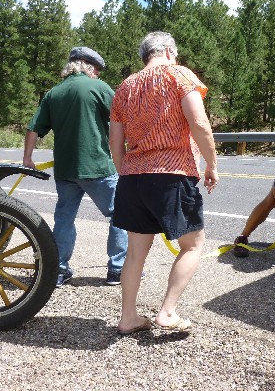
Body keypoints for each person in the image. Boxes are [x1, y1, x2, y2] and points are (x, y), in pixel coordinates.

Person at [109, 31, 219, 335]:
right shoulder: (179, 75)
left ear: (147, 55)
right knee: (193, 244)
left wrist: (126, 171)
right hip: (172, 173)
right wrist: (211, 164)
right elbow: (198, 122)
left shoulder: (125, 86)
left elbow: (114, 140)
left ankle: (128, 317)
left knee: (135, 252)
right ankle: (168, 312)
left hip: (133, 177)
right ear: (170, 52)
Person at [23, 46, 128, 287]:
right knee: (121, 214)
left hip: (66, 170)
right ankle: (118, 270)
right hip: (97, 166)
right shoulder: (99, 88)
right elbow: (122, 121)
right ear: (87, 65)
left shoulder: (54, 93)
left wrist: (27, 158)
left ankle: (58, 271)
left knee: (64, 218)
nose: (98, 74)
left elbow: (33, 128)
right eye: (97, 70)